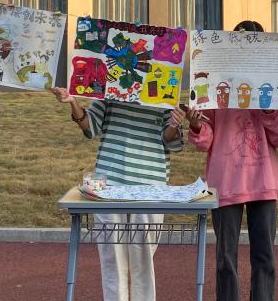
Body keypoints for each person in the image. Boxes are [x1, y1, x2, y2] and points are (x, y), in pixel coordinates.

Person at [51, 82, 186, 301]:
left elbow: (170, 140)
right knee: (111, 258)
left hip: (150, 185)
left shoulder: (165, 89)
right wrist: (73, 102)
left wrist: (174, 123)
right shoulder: (111, 86)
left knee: (143, 257)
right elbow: (90, 127)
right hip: (109, 184)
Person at [187, 20, 278, 301]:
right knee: (225, 259)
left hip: (263, 182)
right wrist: (196, 125)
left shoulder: (273, 83)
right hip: (226, 181)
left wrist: (268, 109)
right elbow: (205, 140)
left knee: (265, 257)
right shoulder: (215, 83)